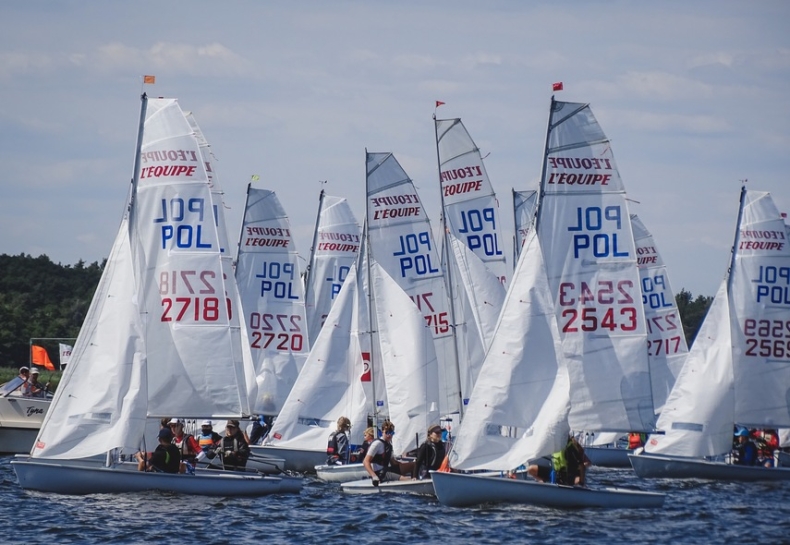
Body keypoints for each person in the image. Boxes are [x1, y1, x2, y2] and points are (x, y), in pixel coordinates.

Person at [363, 420, 410, 486]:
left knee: (413, 465)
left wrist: (405, 463)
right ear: (382, 432)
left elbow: (392, 462)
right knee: (407, 479)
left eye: (391, 433)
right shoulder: (377, 444)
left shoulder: (389, 444)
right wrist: (374, 476)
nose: (389, 435)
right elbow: (365, 462)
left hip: (387, 470)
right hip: (381, 474)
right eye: (387, 432)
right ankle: (412, 481)